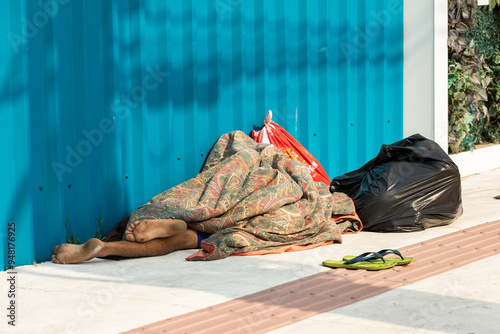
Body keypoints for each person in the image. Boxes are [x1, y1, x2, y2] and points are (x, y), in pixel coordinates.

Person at [51, 219, 210, 264]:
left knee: (180, 236)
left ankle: (165, 219)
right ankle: (106, 248)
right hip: (219, 227)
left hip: (204, 213)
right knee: (181, 240)